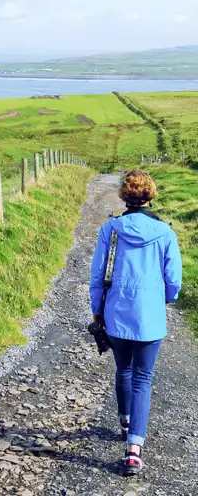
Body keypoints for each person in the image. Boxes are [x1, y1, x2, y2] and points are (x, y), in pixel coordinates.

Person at [89, 169, 182, 476]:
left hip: (116, 315)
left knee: (123, 370)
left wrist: (97, 312)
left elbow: (97, 276)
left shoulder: (111, 230)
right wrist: (164, 298)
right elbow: (173, 281)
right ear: (150, 195)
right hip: (150, 316)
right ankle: (133, 450)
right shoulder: (166, 233)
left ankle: (125, 420)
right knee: (143, 378)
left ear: (124, 195)